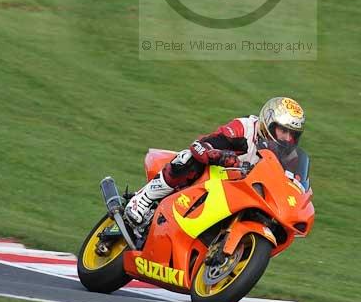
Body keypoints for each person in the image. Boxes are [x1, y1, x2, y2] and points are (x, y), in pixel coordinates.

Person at [124, 96, 306, 233]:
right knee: (189, 158)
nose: (288, 138)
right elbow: (200, 146)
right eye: (283, 131)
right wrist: (221, 156)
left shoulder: (290, 157)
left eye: (293, 134)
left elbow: (293, 185)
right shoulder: (245, 128)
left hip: (243, 195)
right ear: (269, 123)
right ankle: (143, 199)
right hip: (216, 176)